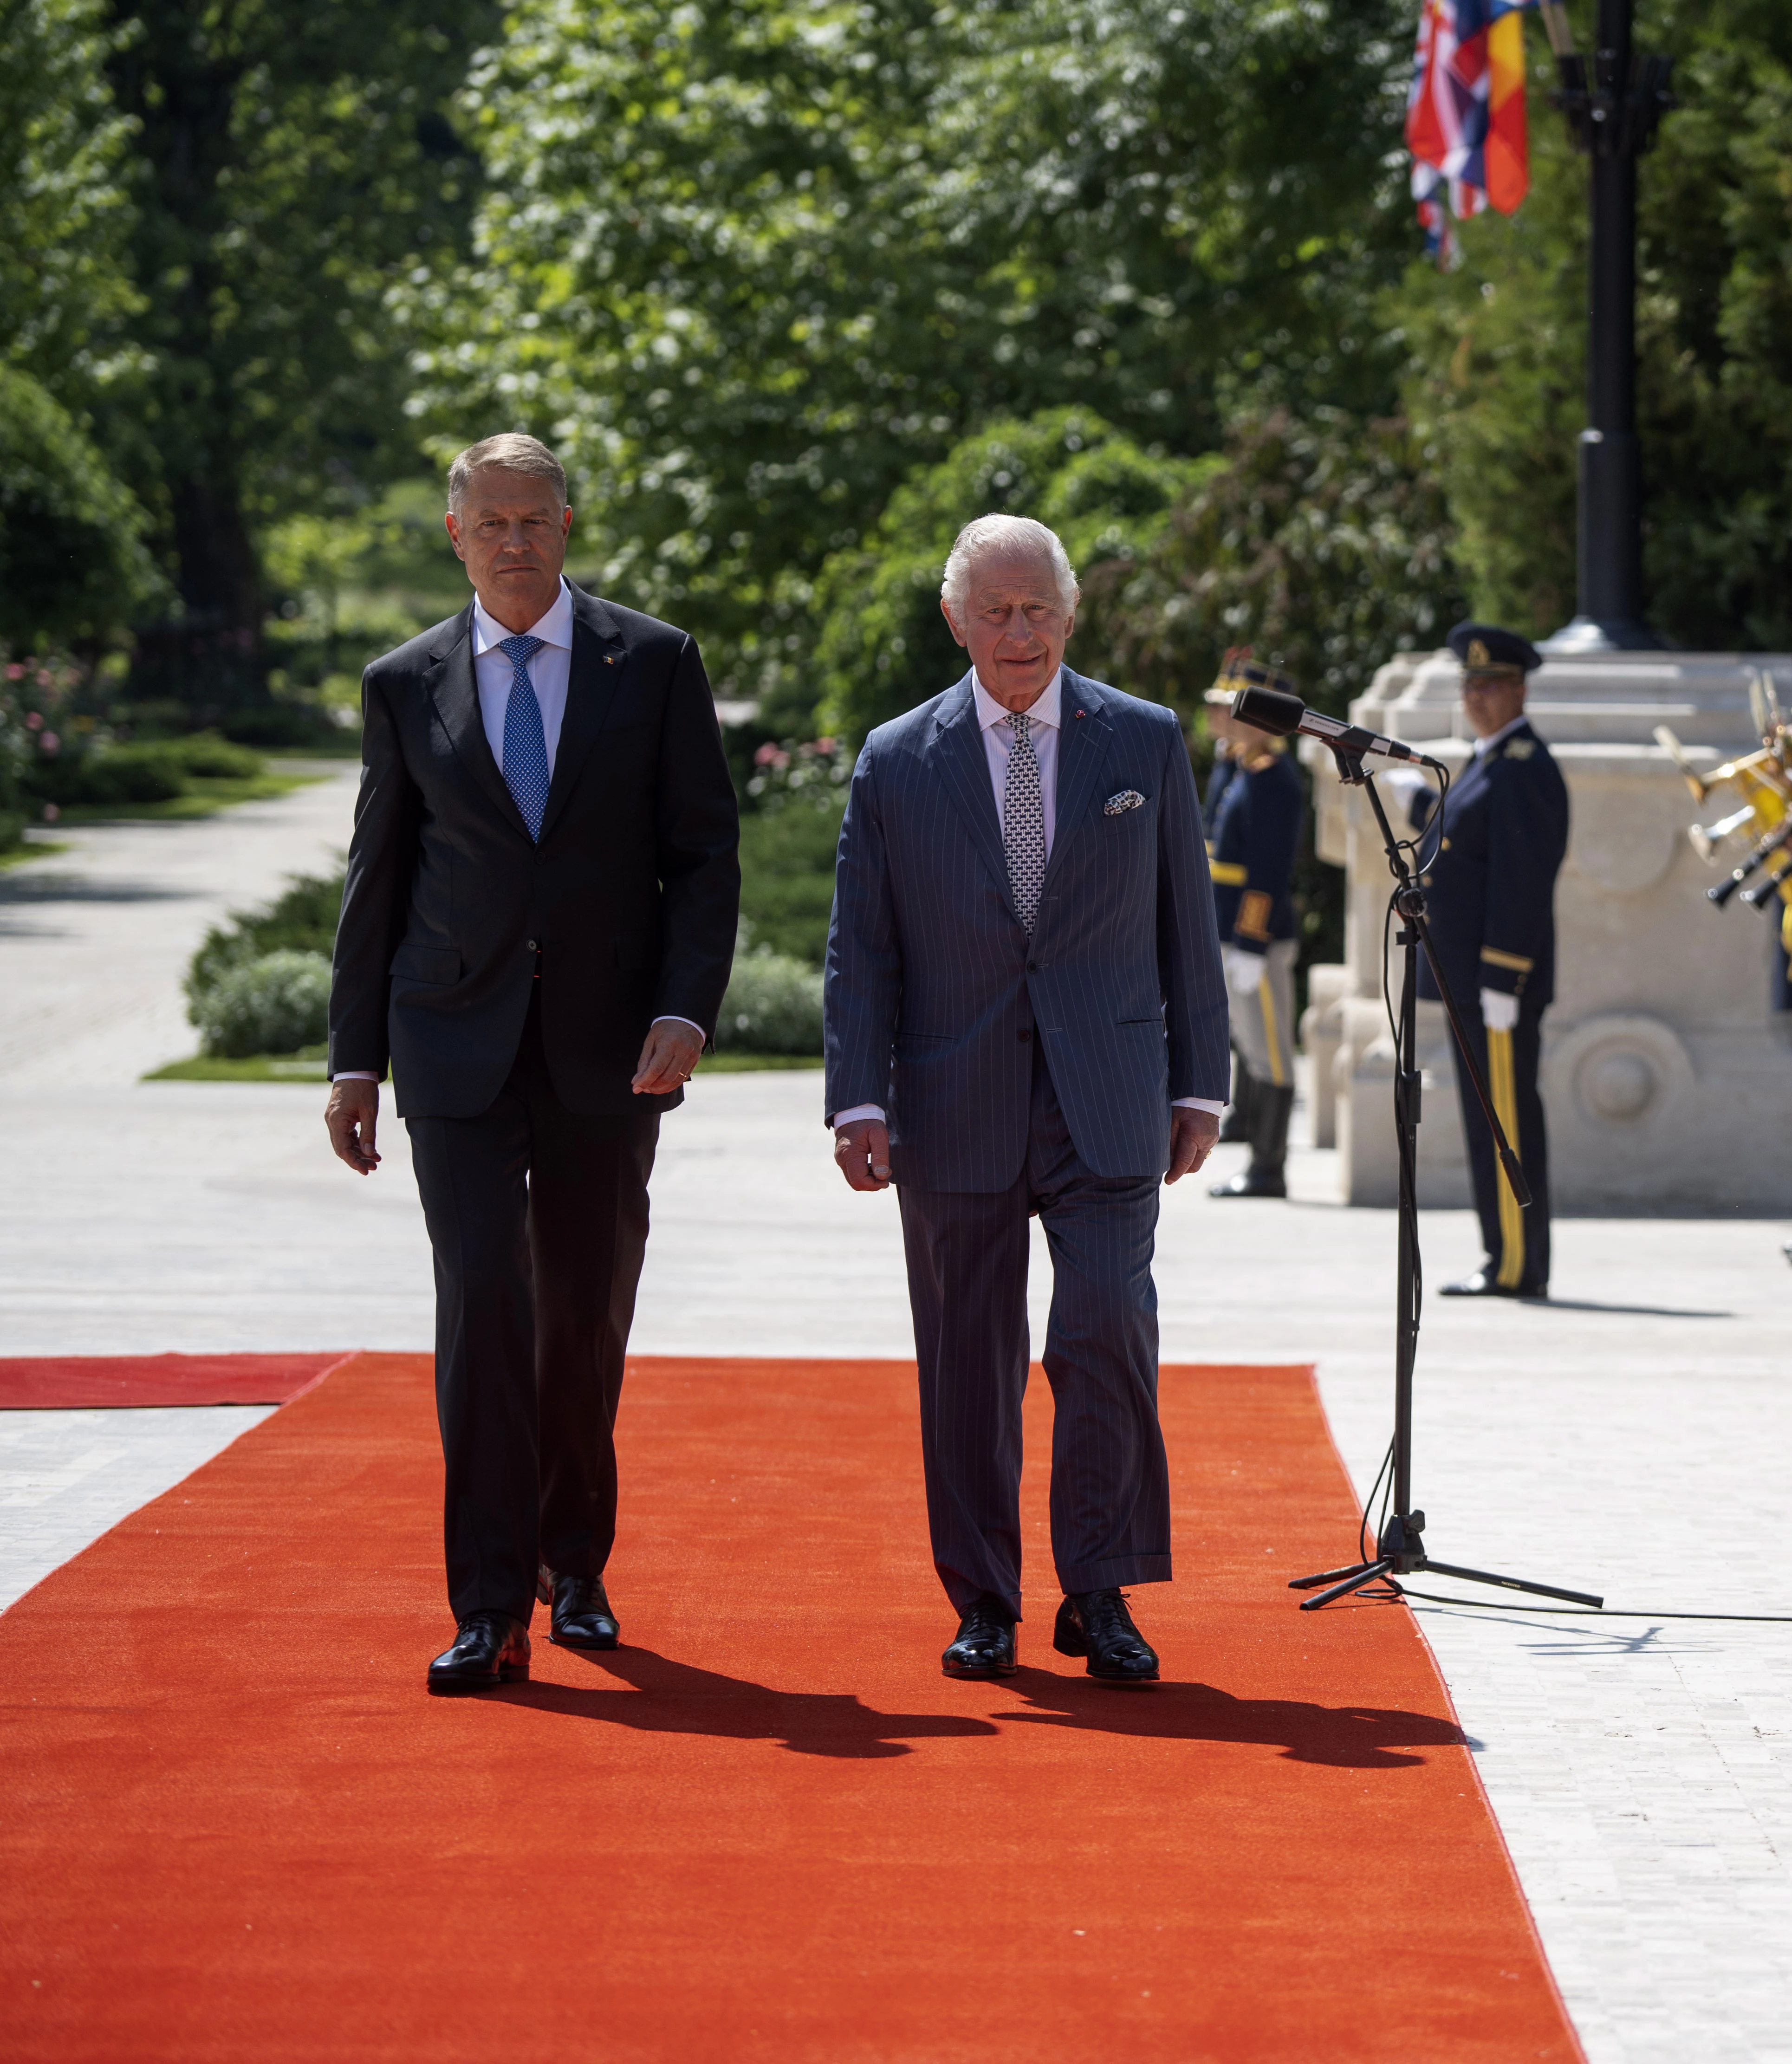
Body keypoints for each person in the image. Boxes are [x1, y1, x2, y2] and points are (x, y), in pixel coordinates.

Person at [325, 431, 740, 1694]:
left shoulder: (653, 662)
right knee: (481, 1315)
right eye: (491, 521)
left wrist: (686, 1008)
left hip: (608, 1053)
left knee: (582, 1310)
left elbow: (704, 856)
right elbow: (376, 873)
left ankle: (577, 1563)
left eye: (536, 518)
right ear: (455, 535)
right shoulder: (404, 680)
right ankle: (489, 1601)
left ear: (569, 526)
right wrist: (353, 1058)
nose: (515, 538)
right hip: (450, 1040)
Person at [822, 513, 1225, 1686]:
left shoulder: (1141, 743)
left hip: (1109, 1096)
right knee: (967, 1360)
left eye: (1036, 607)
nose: (1018, 631)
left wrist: (1201, 1083)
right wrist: (858, 1098)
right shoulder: (898, 758)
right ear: (954, 620)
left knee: (1105, 1331)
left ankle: (1098, 1592)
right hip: (953, 1101)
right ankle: (984, 1599)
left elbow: (1182, 926)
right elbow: (863, 950)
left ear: (1069, 613)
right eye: (994, 611)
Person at [1424, 622, 1570, 1300]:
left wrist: (1504, 976)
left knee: (1507, 1121)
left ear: (1519, 689)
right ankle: (1502, 1253)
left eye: (1491, 685)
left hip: (1494, 983)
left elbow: (1522, 880)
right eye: (1470, 685)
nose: (1478, 697)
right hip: (1469, 980)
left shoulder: (1523, 766)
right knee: (1491, 1120)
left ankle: (1516, 1261)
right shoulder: (1486, 760)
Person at [1201, 653, 1308, 1200]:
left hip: (1256, 940)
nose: (1226, 719)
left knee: (1271, 1052)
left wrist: (1249, 939)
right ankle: (1261, 1154)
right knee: (1254, 1042)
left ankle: (1270, 1168)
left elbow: (1267, 871)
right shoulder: (1245, 768)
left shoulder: (1275, 780)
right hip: (1232, 931)